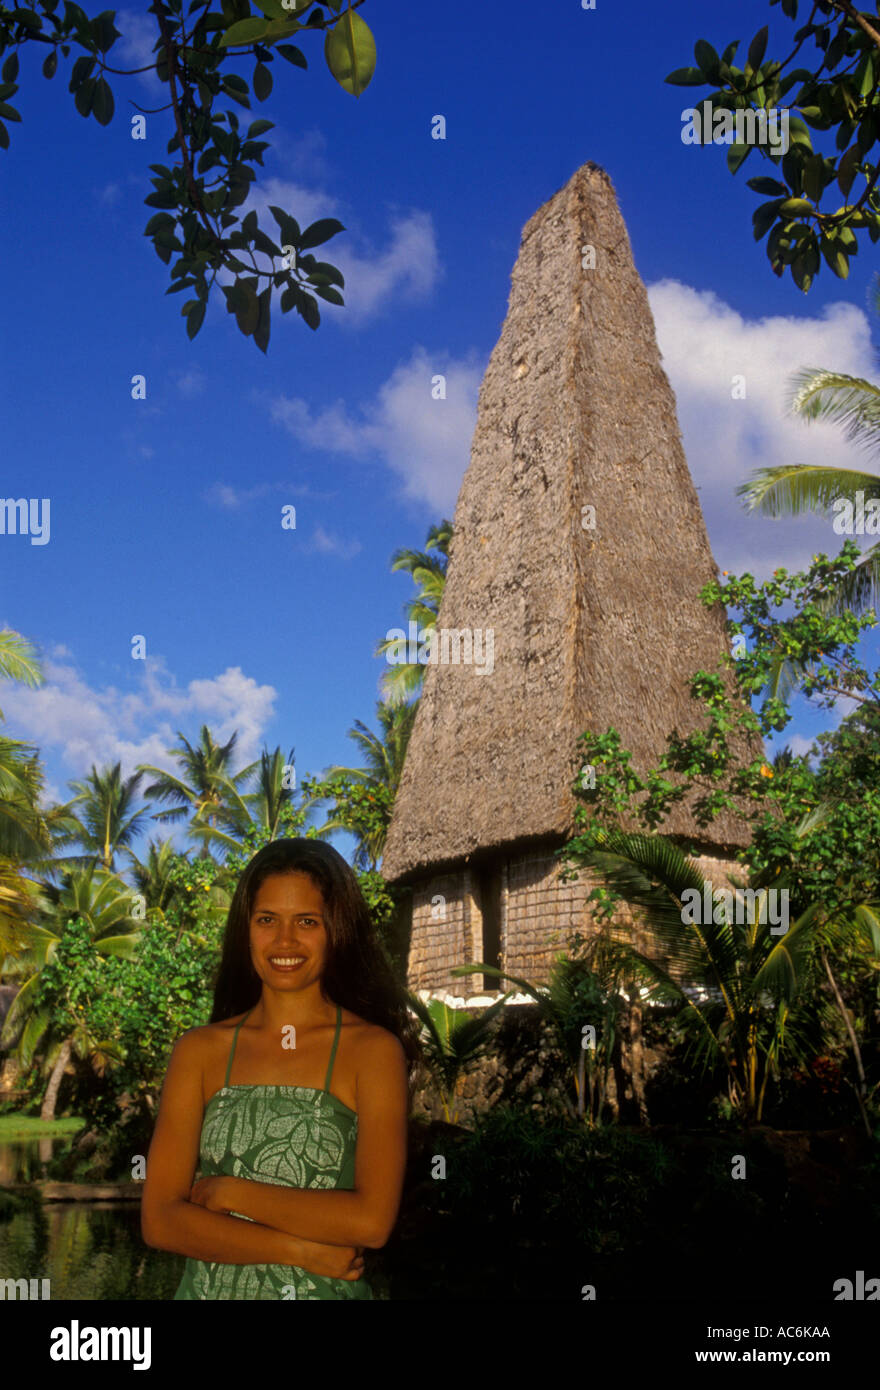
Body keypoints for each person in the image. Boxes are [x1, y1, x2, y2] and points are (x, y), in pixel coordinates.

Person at [141, 837, 418, 1299]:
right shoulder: (200, 1052)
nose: (284, 941)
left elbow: (370, 1223)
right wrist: (298, 1249)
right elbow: (160, 1221)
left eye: (306, 921)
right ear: (246, 930)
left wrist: (229, 1193)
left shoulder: (372, 1052)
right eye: (267, 920)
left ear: (336, 929)